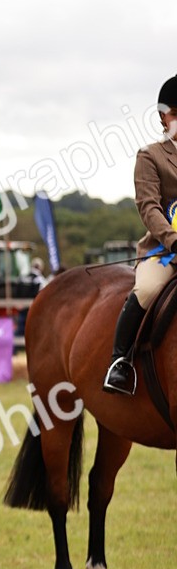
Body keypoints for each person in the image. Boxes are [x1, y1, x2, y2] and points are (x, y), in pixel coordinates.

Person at [103, 74, 177, 394]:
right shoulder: (151, 156)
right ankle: (120, 362)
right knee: (147, 289)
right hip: (164, 251)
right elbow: (149, 207)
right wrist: (174, 240)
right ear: (163, 117)